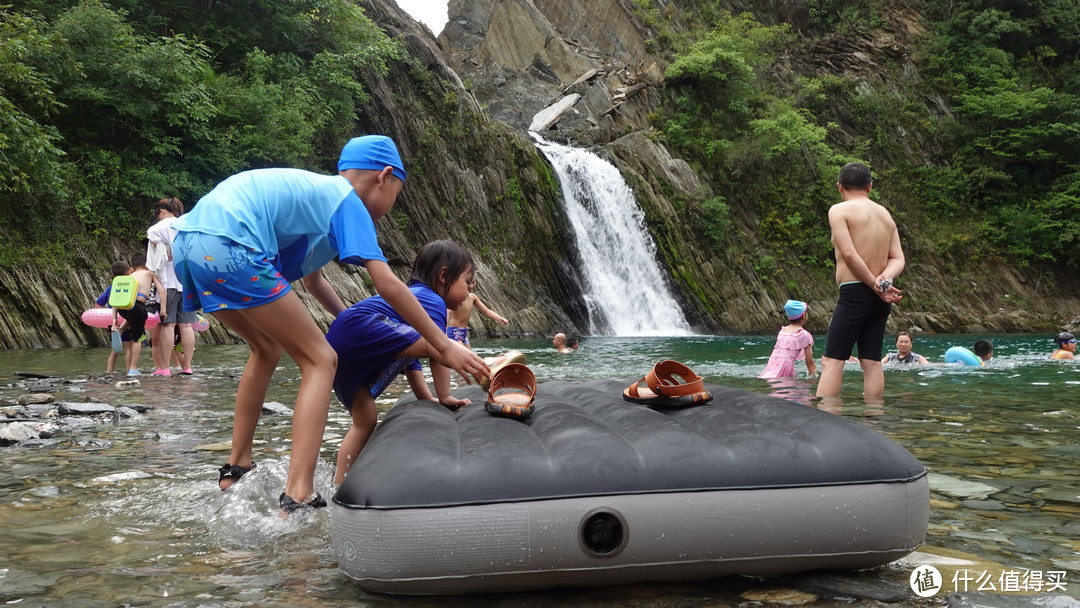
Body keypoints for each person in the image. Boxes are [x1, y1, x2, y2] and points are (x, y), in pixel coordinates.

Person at [171, 134, 489, 512]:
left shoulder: (316, 202)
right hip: (232, 244)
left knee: (267, 347)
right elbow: (387, 284)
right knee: (321, 359)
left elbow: (313, 281)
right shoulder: (346, 201)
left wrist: (346, 317)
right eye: (396, 194)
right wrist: (443, 343)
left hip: (188, 247)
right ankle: (299, 489)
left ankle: (237, 466)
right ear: (384, 176)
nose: (388, 208)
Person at [328, 240, 483, 484]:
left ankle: (339, 483)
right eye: (467, 282)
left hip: (340, 343)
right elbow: (436, 350)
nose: (469, 291)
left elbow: (410, 357)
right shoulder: (432, 300)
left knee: (365, 421)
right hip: (359, 327)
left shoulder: (413, 301)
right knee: (438, 343)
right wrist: (444, 396)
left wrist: (425, 397)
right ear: (444, 276)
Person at [817, 162, 905, 399]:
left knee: (832, 361)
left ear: (839, 186)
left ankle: (827, 417)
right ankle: (874, 416)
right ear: (870, 186)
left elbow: (849, 254)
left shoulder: (839, 210)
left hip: (855, 292)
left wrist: (874, 284)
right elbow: (897, 258)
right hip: (879, 299)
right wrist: (884, 281)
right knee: (872, 361)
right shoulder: (884, 214)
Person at [147, 197, 198, 376]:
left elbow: (152, 240)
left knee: (168, 325)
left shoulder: (160, 226)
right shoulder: (188, 224)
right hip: (188, 282)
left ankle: (165, 368)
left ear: (162, 211)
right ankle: (188, 367)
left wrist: (164, 252)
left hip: (168, 282)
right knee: (186, 325)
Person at [112, 259, 167, 376]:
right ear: (147, 266)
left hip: (123, 308)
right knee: (138, 339)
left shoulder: (127, 277)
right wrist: (163, 310)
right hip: (137, 306)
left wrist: (114, 319)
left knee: (132, 319)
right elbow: (162, 292)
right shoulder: (149, 274)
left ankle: (120, 330)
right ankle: (133, 369)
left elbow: (116, 298)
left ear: (133, 268)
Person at [759, 300, 816, 379]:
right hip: (785, 367)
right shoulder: (805, 335)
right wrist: (814, 379)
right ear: (804, 315)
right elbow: (809, 363)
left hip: (772, 364)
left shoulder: (782, 331)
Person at [445, 279, 509, 347]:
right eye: (468, 283)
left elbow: (486, 311)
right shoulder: (456, 297)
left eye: (473, 282)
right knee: (464, 355)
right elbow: (448, 313)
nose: (471, 286)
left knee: (469, 356)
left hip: (464, 333)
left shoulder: (473, 297)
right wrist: (445, 333)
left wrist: (500, 318)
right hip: (454, 332)